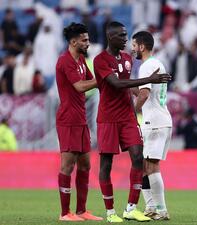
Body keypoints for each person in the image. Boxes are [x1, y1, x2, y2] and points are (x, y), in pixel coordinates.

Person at [93, 21, 171, 223]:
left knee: (138, 157)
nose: (126, 39)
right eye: (122, 35)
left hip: (127, 117)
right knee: (106, 163)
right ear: (111, 37)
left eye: (126, 35)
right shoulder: (100, 59)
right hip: (108, 118)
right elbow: (117, 84)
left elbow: (127, 87)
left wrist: (139, 90)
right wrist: (147, 81)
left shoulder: (127, 58)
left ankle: (131, 208)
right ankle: (110, 212)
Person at [55, 22, 102, 222]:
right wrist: (105, 78)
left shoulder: (82, 60)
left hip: (81, 119)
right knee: (67, 165)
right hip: (68, 119)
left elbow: (95, 81)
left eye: (88, 39)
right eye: (84, 40)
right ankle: (65, 213)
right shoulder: (65, 61)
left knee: (85, 164)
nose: (88, 43)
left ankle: (81, 210)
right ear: (73, 41)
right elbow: (81, 86)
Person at [132, 31, 172, 220]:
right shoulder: (158, 64)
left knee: (151, 166)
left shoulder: (147, 66)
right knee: (146, 165)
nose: (132, 49)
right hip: (161, 119)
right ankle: (151, 208)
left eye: (134, 45)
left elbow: (144, 94)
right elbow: (144, 91)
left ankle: (161, 210)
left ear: (142, 46)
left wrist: (132, 112)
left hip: (154, 122)